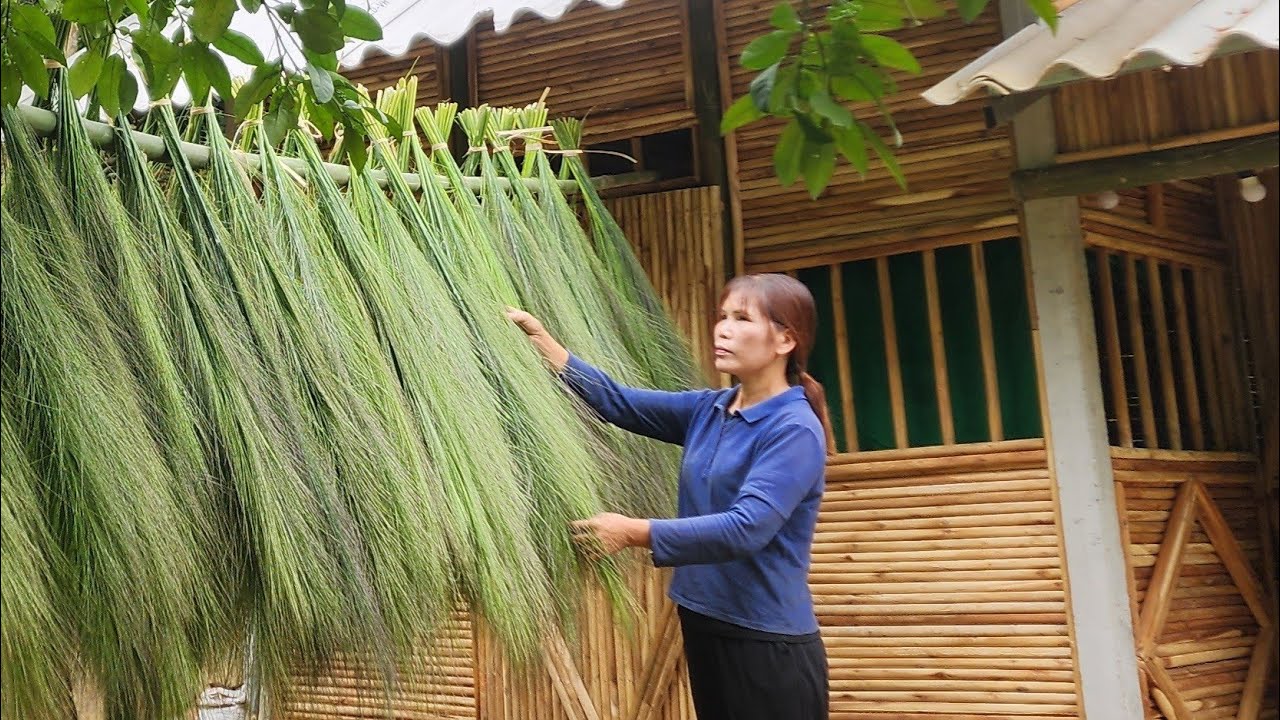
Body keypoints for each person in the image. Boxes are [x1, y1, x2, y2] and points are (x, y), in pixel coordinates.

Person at [507, 272, 833, 720]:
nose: (723, 328)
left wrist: (633, 532)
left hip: (765, 641)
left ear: (784, 341)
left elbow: (746, 528)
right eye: (722, 316)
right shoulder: (711, 409)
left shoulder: (792, 429)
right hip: (704, 620)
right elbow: (620, 403)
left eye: (742, 318)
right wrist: (544, 343)